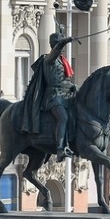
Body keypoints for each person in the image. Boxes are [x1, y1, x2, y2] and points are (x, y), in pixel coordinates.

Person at [18, 28, 76, 158]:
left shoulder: (62, 61)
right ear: (55, 45)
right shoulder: (49, 59)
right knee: (63, 117)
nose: (62, 49)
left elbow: (65, 80)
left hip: (65, 96)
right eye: (59, 45)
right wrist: (65, 40)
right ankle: (60, 148)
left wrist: (74, 87)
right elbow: (56, 51)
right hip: (53, 97)